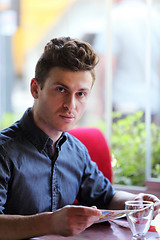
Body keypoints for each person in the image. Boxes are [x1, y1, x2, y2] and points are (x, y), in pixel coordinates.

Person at [0, 36, 159, 240]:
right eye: (61, 89)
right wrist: (49, 222)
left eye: (81, 94)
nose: (71, 105)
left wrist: (136, 202)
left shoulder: (76, 151)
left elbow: (107, 197)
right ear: (34, 88)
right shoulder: (4, 151)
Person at [94, 0, 160, 123]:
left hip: (122, 105)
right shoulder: (155, 17)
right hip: (152, 104)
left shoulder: (114, 18)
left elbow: (107, 64)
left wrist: (101, 103)